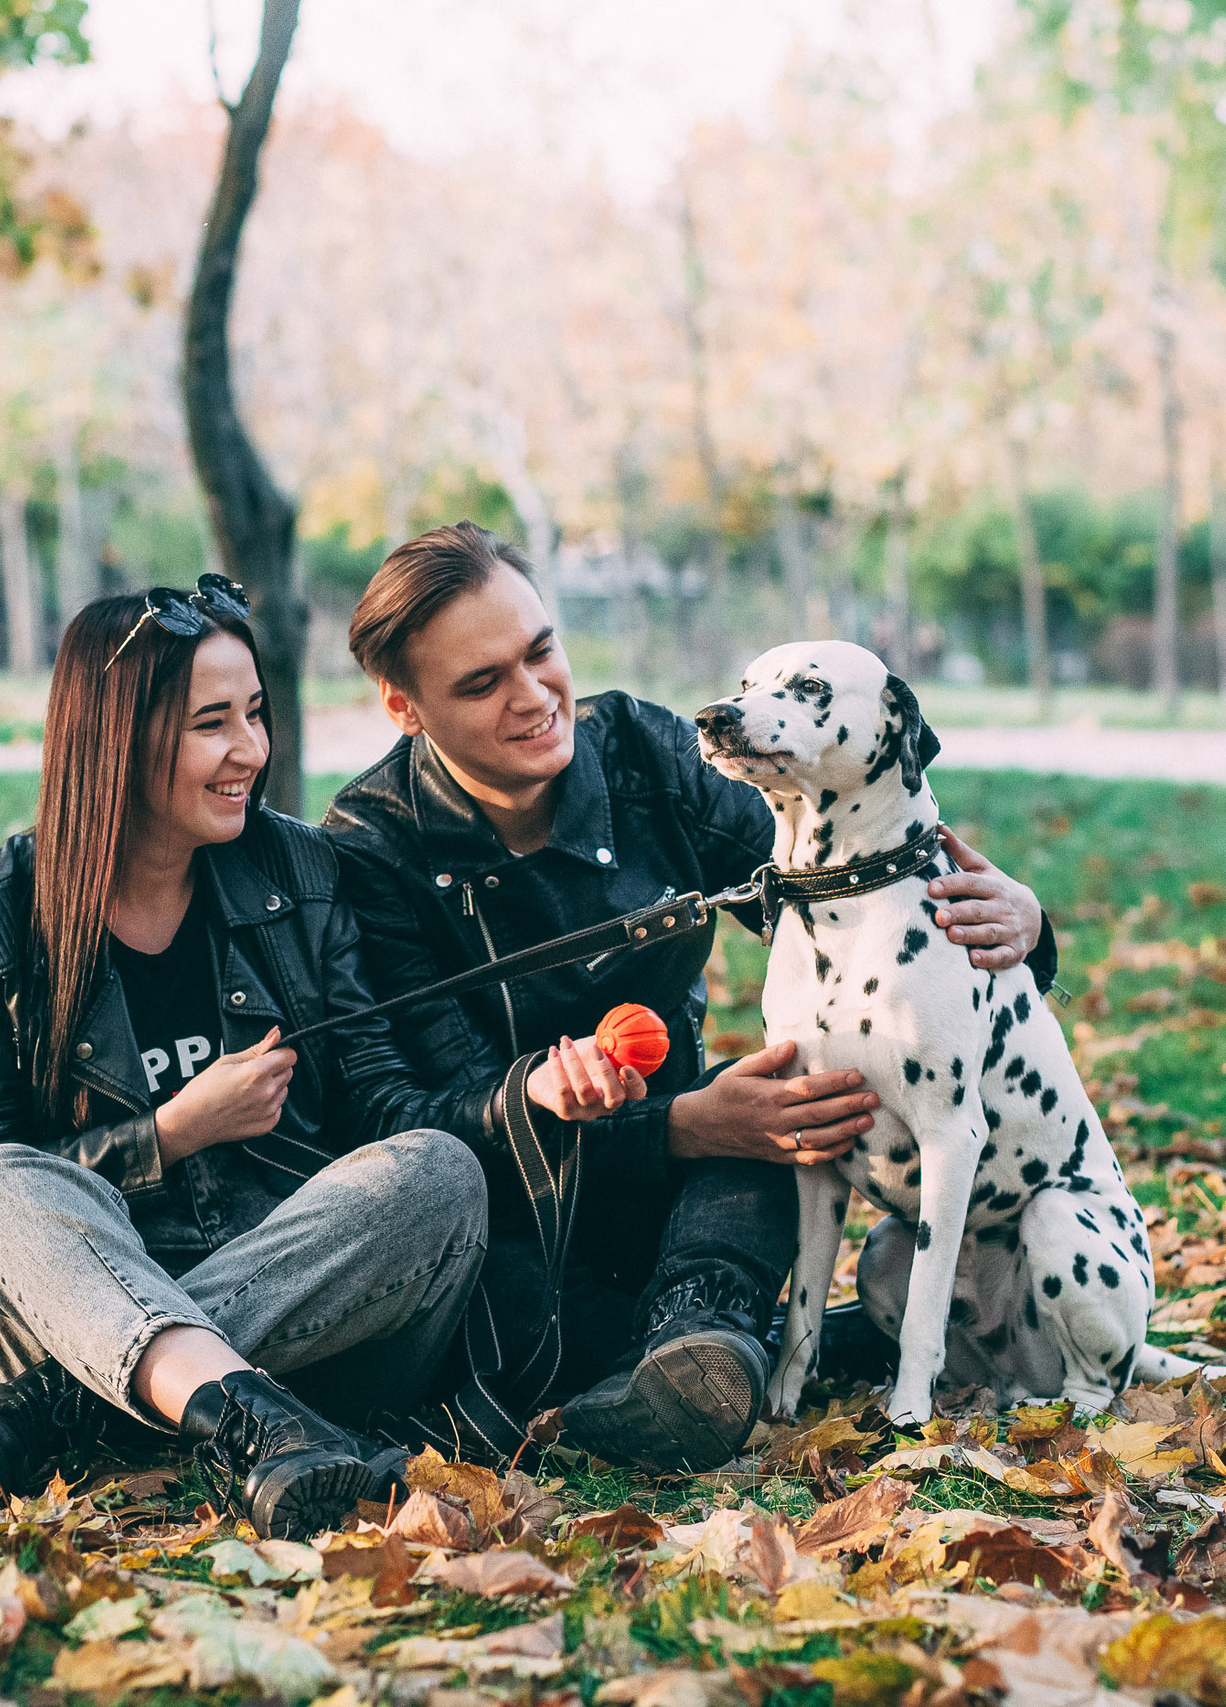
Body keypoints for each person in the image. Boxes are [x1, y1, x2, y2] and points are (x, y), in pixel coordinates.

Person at [0, 578, 640, 1538]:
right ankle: (244, 1419)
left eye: (255, 714)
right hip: (63, 1305)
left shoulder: (301, 873)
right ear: (118, 738)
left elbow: (379, 1106)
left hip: (301, 1309)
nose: (250, 750)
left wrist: (524, 1093)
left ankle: (92, 1414)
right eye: (211, 723)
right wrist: (169, 1133)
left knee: (438, 1172)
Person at [322, 525, 1055, 1470]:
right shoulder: (373, 842)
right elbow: (396, 1112)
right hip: (517, 1207)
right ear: (403, 706)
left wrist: (1026, 928)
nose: (535, 696)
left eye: (541, 651)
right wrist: (674, 1125)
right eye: (480, 682)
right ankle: (675, 1362)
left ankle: (693, 1354)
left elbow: (842, 888)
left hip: (699, 1197)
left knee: (775, 1111)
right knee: (729, 1129)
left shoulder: (642, 753)